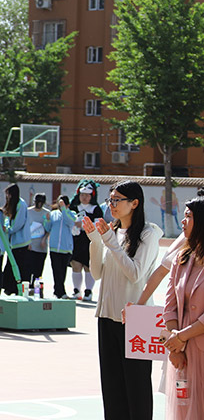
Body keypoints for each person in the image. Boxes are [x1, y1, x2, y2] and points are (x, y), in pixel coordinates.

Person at [86, 180, 162, 420]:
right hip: (107, 315)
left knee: (137, 387)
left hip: (137, 319)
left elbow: (135, 273)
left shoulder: (148, 233)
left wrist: (109, 240)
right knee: (112, 386)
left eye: (117, 200)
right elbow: (97, 273)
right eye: (110, 200)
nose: (112, 205)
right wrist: (96, 241)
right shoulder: (112, 231)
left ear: (135, 203)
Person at [162, 197, 204, 419]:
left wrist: (180, 337)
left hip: (194, 343)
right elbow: (170, 305)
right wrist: (175, 348)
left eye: (189, 216)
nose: (183, 222)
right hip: (182, 352)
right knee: (183, 409)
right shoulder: (182, 257)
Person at [71, 180, 103, 302]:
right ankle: (76, 290)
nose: (84, 198)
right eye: (82, 195)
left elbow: (98, 224)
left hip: (90, 241)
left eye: (87, 195)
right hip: (76, 240)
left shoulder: (96, 209)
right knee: (76, 265)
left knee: (88, 267)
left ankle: (88, 291)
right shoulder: (74, 207)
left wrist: (83, 225)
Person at [2, 184, 31, 295]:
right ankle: (10, 287)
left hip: (21, 241)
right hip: (14, 243)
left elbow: (18, 223)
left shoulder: (20, 204)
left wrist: (9, 229)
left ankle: (16, 288)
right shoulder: (14, 205)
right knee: (11, 265)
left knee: (17, 265)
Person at [47, 195, 75, 299]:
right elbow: (48, 228)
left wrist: (64, 209)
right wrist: (47, 220)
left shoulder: (71, 213)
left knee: (62, 271)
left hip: (66, 247)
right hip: (54, 247)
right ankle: (59, 292)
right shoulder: (53, 214)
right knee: (56, 270)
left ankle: (58, 291)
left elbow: (71, 222)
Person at [26, 193, 50, 286]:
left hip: (41, 246)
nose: (39, 204)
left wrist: (44, 239)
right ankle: (27, 288)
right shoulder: (28, 212)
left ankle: (36, 287)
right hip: (30, 245)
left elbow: (48, 229)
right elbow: (26, 228)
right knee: (28, 269)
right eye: (37, 202)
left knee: (38, 271)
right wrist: (27, 242)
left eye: (41, 202)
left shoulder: (46, 213)